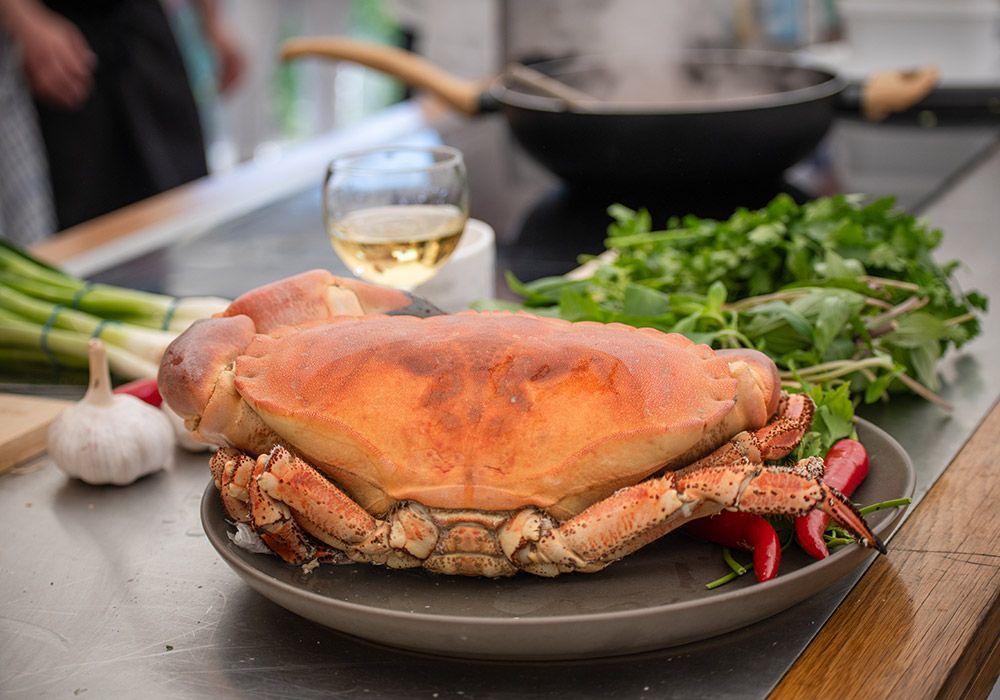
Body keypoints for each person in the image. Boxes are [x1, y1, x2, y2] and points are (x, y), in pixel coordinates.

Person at [0, 0, 244, 234]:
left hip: (143, 26)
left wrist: (213, 21)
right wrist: (29, 23)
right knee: (90, 212)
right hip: (64, 46)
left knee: (187, 191)